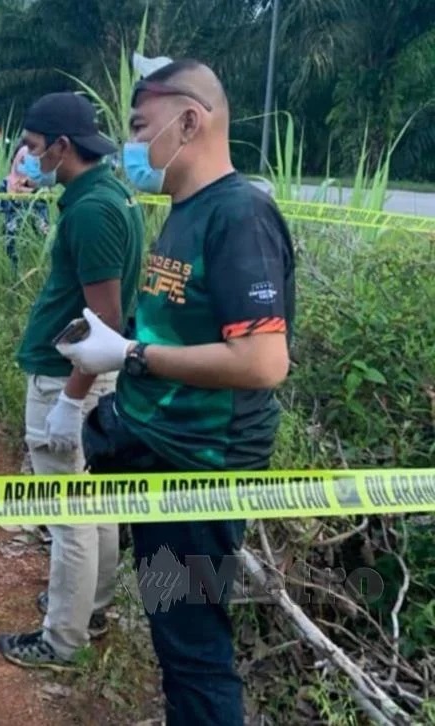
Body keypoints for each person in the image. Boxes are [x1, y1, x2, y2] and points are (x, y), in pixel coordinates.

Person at [55, 60, 296, 725]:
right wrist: (109, 348)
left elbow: (263, 361)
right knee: (173, 632)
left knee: (194, 649)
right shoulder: (183, 211)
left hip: (200, 471)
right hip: (161, 458)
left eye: (138, 126)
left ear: (189, 120)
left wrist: (131, 354)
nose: (130, 145)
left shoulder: (240, 215)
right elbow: (177, 322)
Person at [0, 92, 146, 671]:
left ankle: (62, 639)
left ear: (62, 146)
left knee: (69, 513)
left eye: (33, 149)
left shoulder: (91, 210)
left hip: (68, 380)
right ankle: (92, 607)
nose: (29, 160)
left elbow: (103, 322)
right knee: (96, 500)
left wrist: (70, 402)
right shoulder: (108, 196)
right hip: (78, 378)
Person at [0, 144, 51, 274]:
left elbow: (44, 205)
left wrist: (31, 192)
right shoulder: (6, 183)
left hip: (38, 234)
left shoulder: (40, 184)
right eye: (22, 160)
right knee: (13, 264)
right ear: (14, 161)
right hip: (12, 233)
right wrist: (14, 195)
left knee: (39, 263)